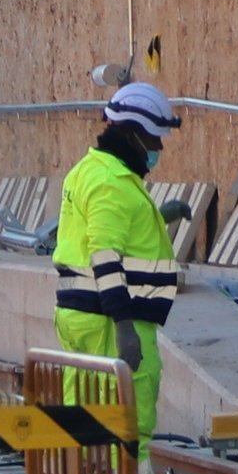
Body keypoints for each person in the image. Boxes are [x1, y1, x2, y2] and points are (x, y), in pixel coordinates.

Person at [53, 81, 184, 421]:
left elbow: (100, 234)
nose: (158, 149)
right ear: (132, 135)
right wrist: (123, 326)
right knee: (128, 415)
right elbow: (105, 255)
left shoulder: (89, 171)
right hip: (110, 319)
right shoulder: (111, 183)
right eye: (154, 139)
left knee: (83, 414)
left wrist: (157, 216)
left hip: (84, 316)